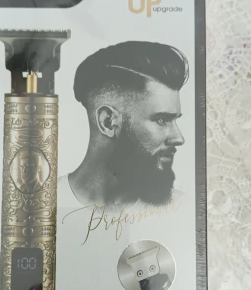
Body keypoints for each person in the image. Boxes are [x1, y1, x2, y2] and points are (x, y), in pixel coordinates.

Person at [58, 40, 189, 208]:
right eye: (161, 120)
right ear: (108, 122)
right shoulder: (41, 204)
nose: (179, 138)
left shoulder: (183, 209)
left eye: (175, 120)